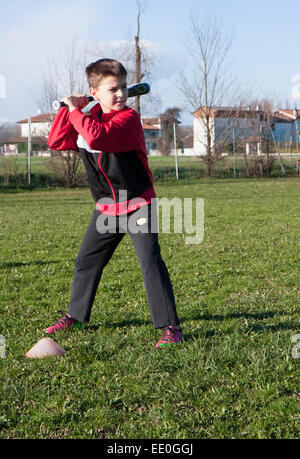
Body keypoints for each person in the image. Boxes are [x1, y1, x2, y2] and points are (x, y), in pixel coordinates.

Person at [46, 58, 182, 349]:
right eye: (113, 89)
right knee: (87, 262)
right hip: (107, 208)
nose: (121, 94)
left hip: (137, 204)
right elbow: (57, 141)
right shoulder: (88, 116)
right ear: (95, 91)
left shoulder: (128, 119)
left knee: (150, 263)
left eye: (123, 87)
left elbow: (97, 136)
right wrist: (67, 110)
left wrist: (75, 110)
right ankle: (76, 316)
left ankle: (171, 327)